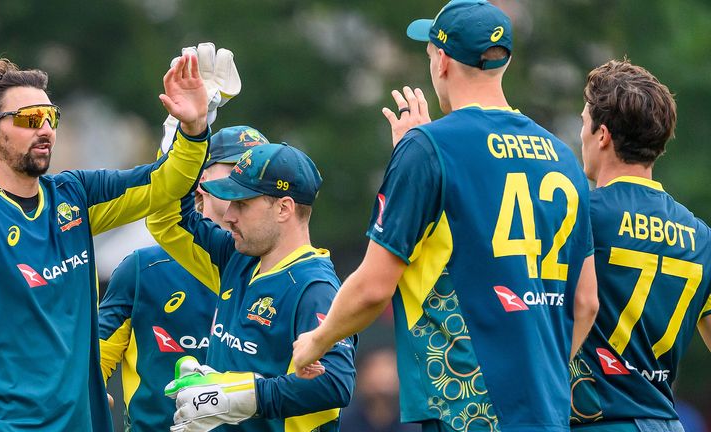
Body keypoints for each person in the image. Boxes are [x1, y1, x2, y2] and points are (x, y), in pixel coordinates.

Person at [292, 1, 599, 431]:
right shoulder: (563, 156)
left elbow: (373, 288)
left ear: (443, 61)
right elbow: (585, 302)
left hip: (467, 408)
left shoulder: (429, 150)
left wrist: (315, 341)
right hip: (546, 412)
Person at [0, 52, 211, 431]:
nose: (46, 130)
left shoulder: (74, 196)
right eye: (30, 120)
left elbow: (166, 183)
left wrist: (194, 127)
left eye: (51, 118)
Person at [146, 143, 357, 431]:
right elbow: (168, 215)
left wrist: (241, 395)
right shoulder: (238, 256)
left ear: (284, 208)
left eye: (242, 204)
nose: (229, 215)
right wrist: (188, 134)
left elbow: (334, 383)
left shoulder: (315, 289)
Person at [568, 59, 711, 432]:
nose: (581, 136)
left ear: (602, 135)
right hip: (666, 423)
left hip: (598, 423)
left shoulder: (580, 213)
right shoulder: (701, 236)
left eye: (584, 124)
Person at [98, 125, 268, 432]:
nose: (248, 181)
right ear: (200, 180)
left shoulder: (277, 271)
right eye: (236, 168)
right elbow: (92, 365)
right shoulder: (142, 270)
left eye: (256, 171)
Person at [340, 347, 420, 432]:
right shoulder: (341, 423)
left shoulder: (417, 425)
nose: (381, 377)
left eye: (387, 372)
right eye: (375, 371)